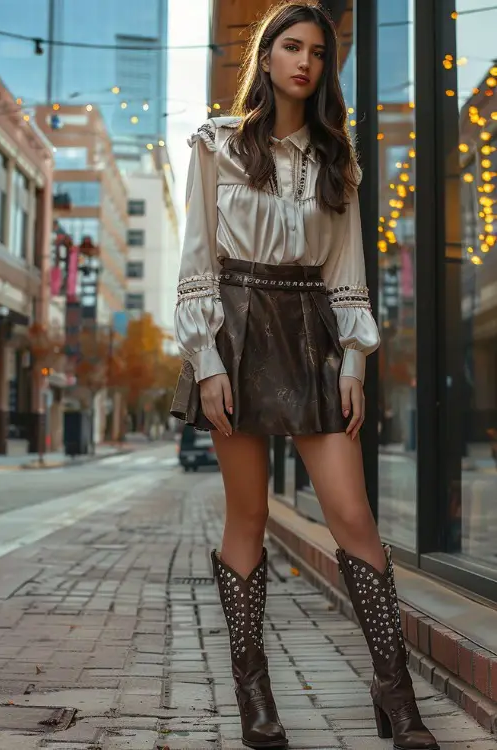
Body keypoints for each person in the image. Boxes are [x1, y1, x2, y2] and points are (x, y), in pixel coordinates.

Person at [171, 2, 439, 749]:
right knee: (247, 518)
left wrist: (355, 358)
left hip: (315, 333)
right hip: (237, 328)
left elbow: (346, 272)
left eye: (319, 52)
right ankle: (257, 702)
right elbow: (198, 264)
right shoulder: (215, 145)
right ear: (266, 56)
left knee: (353, 516)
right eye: (291, 46)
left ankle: (397, 696)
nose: (305, 62)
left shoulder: (337, 159)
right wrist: (207, 361)